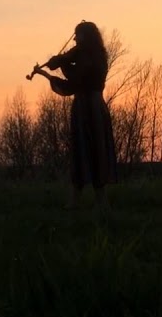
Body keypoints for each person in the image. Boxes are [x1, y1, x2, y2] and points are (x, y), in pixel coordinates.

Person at [28, 21, 118, 209]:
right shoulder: (98, 55)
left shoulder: (90, 59)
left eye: (78, 35)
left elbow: (73, 82)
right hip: (95, 107)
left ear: (85, 36)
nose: (75, 39)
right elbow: (74, 75)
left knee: (85, 150)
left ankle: (85, 201)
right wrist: (59, 64)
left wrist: (56, 66)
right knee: (95, 149)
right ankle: (98, 201)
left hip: (87, 108)